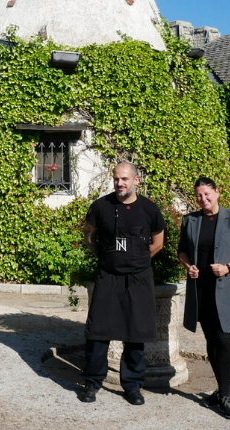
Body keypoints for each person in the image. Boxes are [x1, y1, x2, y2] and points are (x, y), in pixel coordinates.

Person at [79, 161, 165, 405]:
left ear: (136, 181)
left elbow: (158, 243)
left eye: (125, 179)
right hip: (108, 278)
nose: (120, 183)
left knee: (135, 333)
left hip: (139, 279)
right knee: (98, 332)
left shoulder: (150, 210)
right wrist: (109, 259)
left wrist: (136, 260)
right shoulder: (100, 207)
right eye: (116, 178)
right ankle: (92, 382)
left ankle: (132, 386)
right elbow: (89, 236)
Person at [178, 176, 230, 420]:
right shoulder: (190, 220)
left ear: (217, 193)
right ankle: (220, 390)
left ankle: (226, 395)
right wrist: (188, 265)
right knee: (211, 340)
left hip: (226, 290)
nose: (203, 199)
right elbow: (182, 251)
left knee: (224, 340)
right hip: (200, 291)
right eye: (199, 195)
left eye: (207, 194)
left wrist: (228, 267)